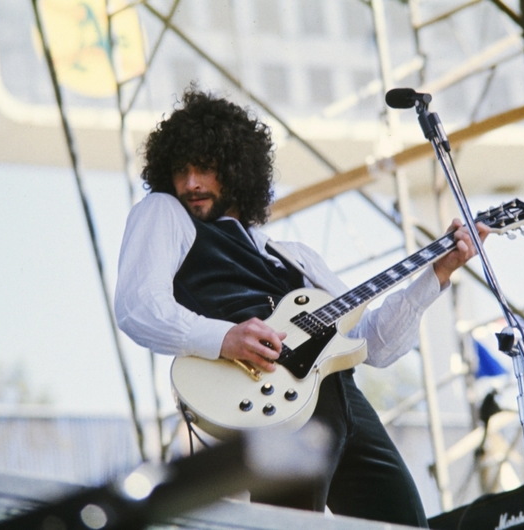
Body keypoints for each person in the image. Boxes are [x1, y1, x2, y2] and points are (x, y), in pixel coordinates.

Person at [114, 85, 489, 527]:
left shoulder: (294, 255)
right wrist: (224, 337)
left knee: (405, 524)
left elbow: (374, 345)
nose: (191, 183)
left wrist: (437, 274)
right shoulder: (164, 211)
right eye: (181, 170)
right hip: (270, 397)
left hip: (342, 399)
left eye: (206, 168)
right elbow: (138, 306)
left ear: (235, 170)